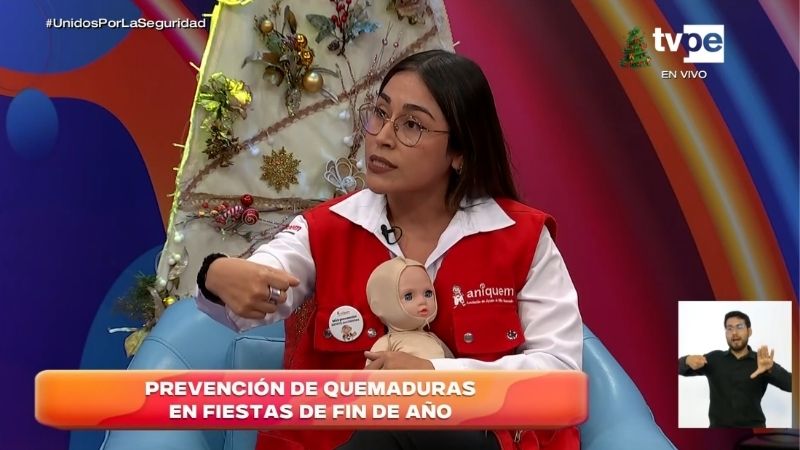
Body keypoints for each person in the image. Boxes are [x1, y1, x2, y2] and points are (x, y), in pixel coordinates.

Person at [195, 49, 583, 450]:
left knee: (412, 422)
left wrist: (437, 379)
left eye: (411, 125)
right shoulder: (326, 229)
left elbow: (560, 377)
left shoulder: (522, 237)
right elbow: (268, 278)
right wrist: (217, 274)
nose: (382, 136)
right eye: (380, 113)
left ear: (460, 153)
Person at [678, 310, 792, 428]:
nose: (734, 333)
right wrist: (687, 360)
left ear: (749, 331)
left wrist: (772, 369)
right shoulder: (714, 359)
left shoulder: (762, 362)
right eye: (729, 328)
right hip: (718, 433)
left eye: (739, 327)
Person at [365, 256, 453, 365]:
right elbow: (372, 372)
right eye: (408, 296)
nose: (422, 301)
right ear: (379, 306)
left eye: (428, 294)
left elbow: (454, 366)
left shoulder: (433, 338)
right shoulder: (387, 343)